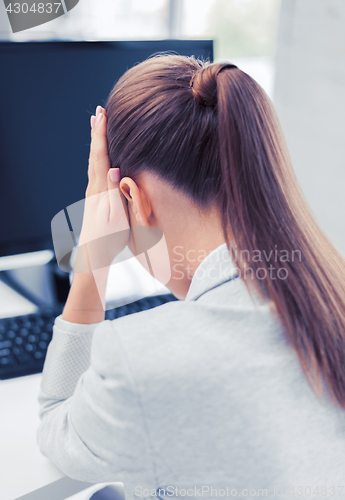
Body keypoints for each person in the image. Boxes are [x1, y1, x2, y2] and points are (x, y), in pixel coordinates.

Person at [37, 55, 345, 500]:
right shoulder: (328, 291)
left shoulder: (140, 358)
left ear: (129, 197)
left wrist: (91, 260)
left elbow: (57, 424)